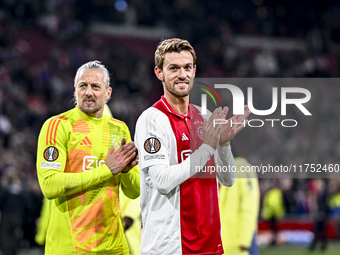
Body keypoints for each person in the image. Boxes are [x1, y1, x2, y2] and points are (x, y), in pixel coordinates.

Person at [134, 38, 251, 255]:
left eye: (187, 67)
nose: (182, 74)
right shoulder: (152, 119)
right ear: (159, 73)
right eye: (174, 68)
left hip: (210, 245)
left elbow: (228, 179)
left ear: (194, 71)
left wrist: (223, 145)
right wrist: (207, 148)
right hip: (169, 247)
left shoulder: (204, 116)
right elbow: (162, 181)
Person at [36, 61, 140, 255]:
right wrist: (106, 169)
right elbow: (50, 185)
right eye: (83, 85)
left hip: (114, 246)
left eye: (96, 87)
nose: (88, 92)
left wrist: (125, 172)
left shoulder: (120, 129)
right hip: (71, 247)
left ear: (108, 93)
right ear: (75, 90)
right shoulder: (57, 126)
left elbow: (134, 192)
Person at [219, 157, 260, 255]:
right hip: (227, 244)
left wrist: (244, 241)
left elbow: (249, 206)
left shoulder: (242, 168)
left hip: (239, 246)